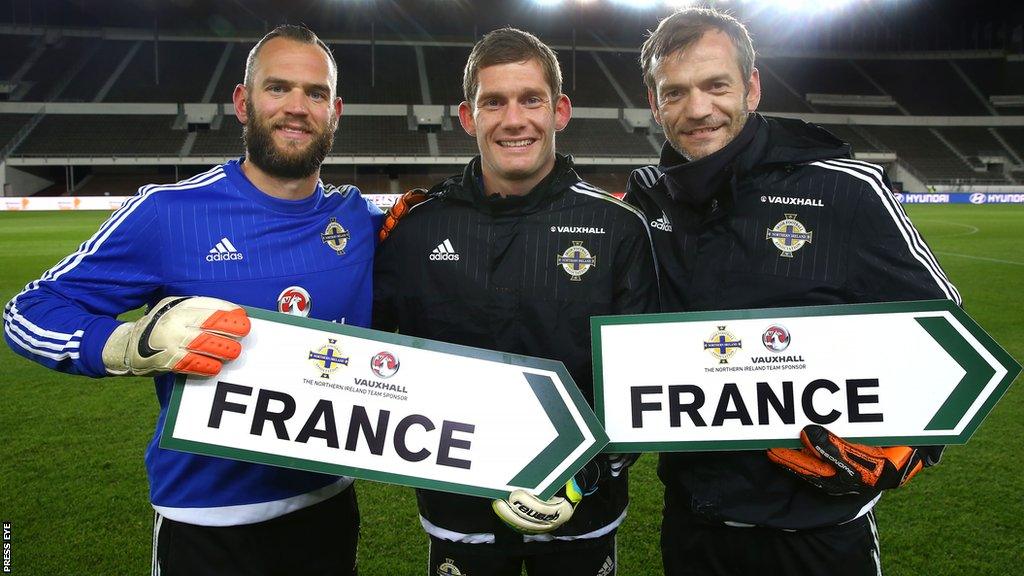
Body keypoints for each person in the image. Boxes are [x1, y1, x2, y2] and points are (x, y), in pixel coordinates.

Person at [3, 25, 380, 576]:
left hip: (327, 509)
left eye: (315, 93)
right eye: (277, 88)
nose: (297, 107)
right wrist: (126, 344)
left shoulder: (359, 219)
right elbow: (26, 312)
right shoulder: (167, 213)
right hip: (205, 527)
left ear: (336, 110)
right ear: (242, 103)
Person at [624, 8, 962, 576]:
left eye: (716, 85)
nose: (698, 108)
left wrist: (912, 443)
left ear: (752, 88)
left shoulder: (842, 190)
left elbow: (944, 331)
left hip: (819, 534)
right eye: (675, 92)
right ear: (655, 104)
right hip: (694, 527)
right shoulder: (649, 204)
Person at [373, 27, 659, 576]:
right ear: (467, 116)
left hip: (583, 509)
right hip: (459, 509)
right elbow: (386, 363)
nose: (514, 119)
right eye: (493, 102)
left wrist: (585, 472)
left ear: (561, 110)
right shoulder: (416, 230)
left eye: (532, 99)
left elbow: (639, 380)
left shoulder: (619, 228)